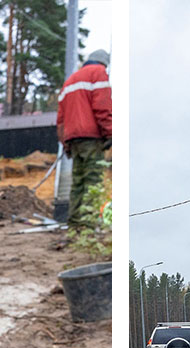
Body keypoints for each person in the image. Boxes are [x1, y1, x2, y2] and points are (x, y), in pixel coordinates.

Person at [57, 49, 112, 232]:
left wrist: (65, 143)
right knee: (93, 181)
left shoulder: (70, 81)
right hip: (91, 137)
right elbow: (102, 107)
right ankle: (88, 224)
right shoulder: (98, 73)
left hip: (73, 139)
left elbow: (61, 120)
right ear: (104, 63)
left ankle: (74, 224)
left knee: (78, 183)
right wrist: (110, 133)